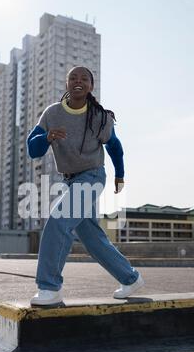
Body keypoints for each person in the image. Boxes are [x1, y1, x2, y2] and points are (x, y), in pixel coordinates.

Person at [27, 66, 144, 306]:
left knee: (58, 221)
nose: (78, 81)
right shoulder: (52, 113)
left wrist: (119, 175)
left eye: (84, 78)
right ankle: (130, 278)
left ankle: (50, 287)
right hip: (69, 180)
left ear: (91, 85)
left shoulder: (99, 116)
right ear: (67, 83)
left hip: (92, 176)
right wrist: (47, 137)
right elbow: (33, 149)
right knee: (91, 238)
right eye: (73, 78)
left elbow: (114, 146)